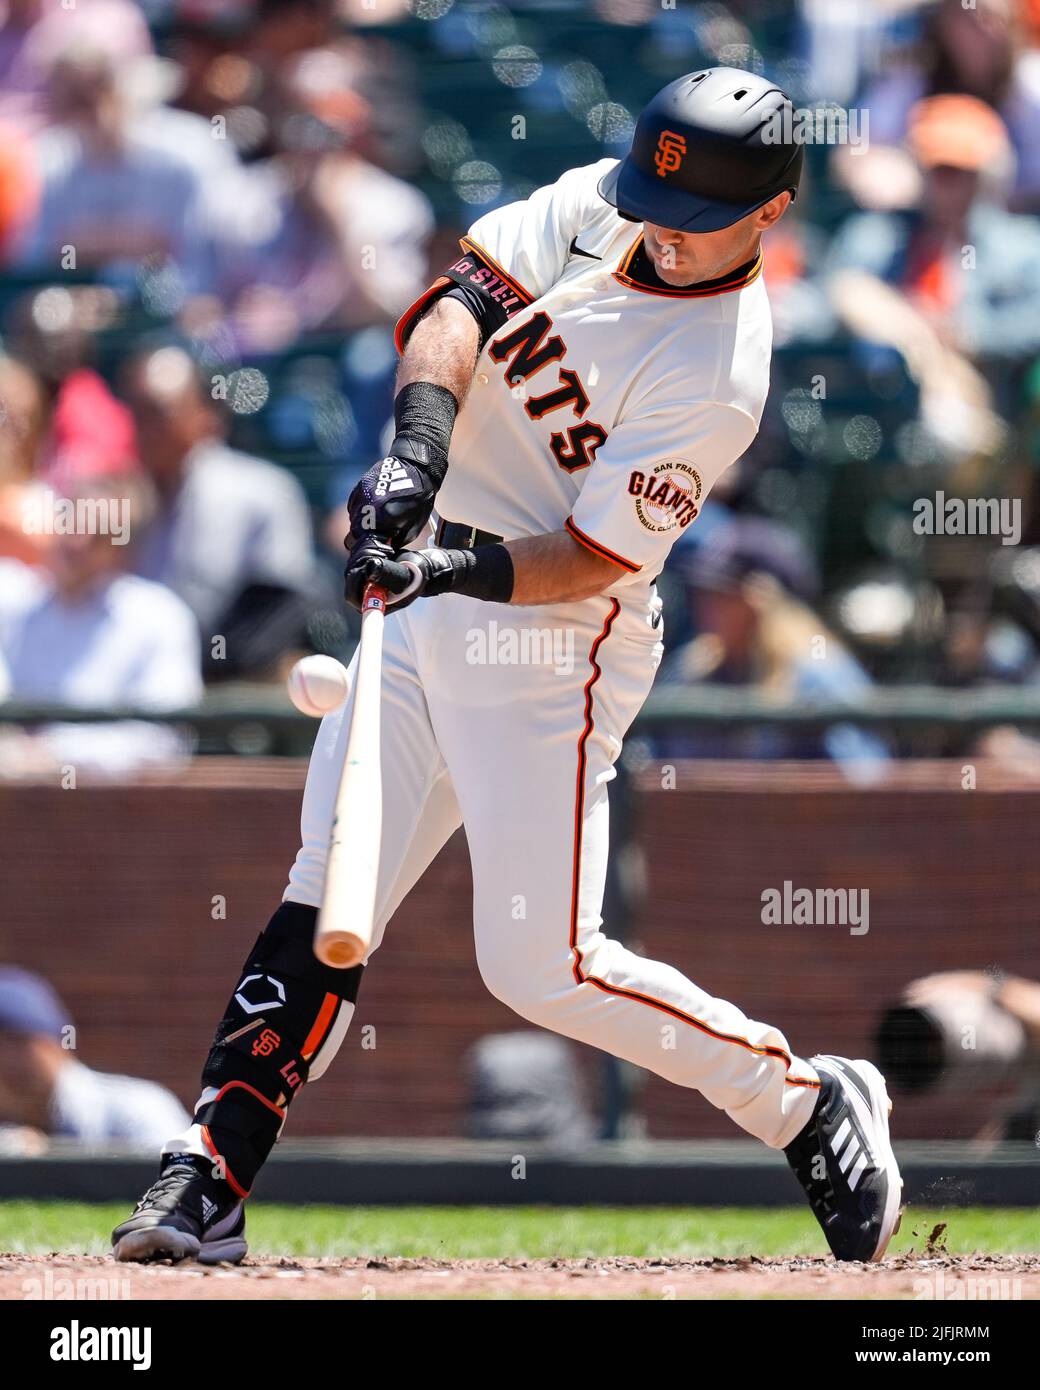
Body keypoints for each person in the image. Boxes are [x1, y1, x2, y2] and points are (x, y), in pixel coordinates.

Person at [113, 68, 902, 1268]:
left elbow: (588, 556)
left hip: (553, 646)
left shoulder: (718, 375)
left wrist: (447, 565)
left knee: (543, 967)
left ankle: (803, 1102)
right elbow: (454, 305)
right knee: (329, 892)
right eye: (655, 200)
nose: (662, 232)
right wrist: (414, 460)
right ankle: (210, 1172)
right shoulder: (600, 202)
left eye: (695, 221)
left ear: (768, 213)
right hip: (432, 593)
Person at [122, 344, 318, 669]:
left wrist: (209, 672)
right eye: (137, 413)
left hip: (234, 687)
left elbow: (281, 607)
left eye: (159, 412)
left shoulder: (260, 489)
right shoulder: (121, 495)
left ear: (203, 413)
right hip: (142, 681)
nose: (145, 429)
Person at [0, 967, 190, 1148]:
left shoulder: (137, 1112)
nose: (5, 1060)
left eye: (17, 1041)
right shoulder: (9, 1133)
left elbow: (183, 1178)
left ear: (60, 1044)